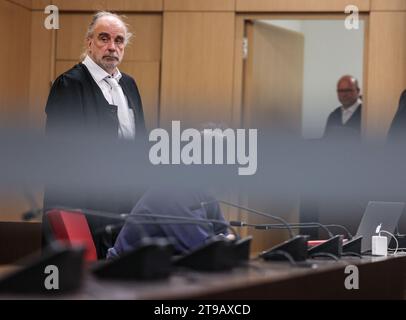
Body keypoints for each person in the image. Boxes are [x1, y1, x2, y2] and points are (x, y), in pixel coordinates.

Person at [43, 11, 146, 258]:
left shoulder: (129, 85)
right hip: (84, 207)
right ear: (89, 42)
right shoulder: (70, 84)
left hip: (125, 206)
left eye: (119, 40)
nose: (112, 47)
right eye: (104, 38)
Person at [107, 187, 235, 258]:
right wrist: (223, 240)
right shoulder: (172, 190)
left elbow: (226, 235)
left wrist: (224, 240)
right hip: (126, 273)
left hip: (167, 268)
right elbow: (202, 250)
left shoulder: (205, 192)